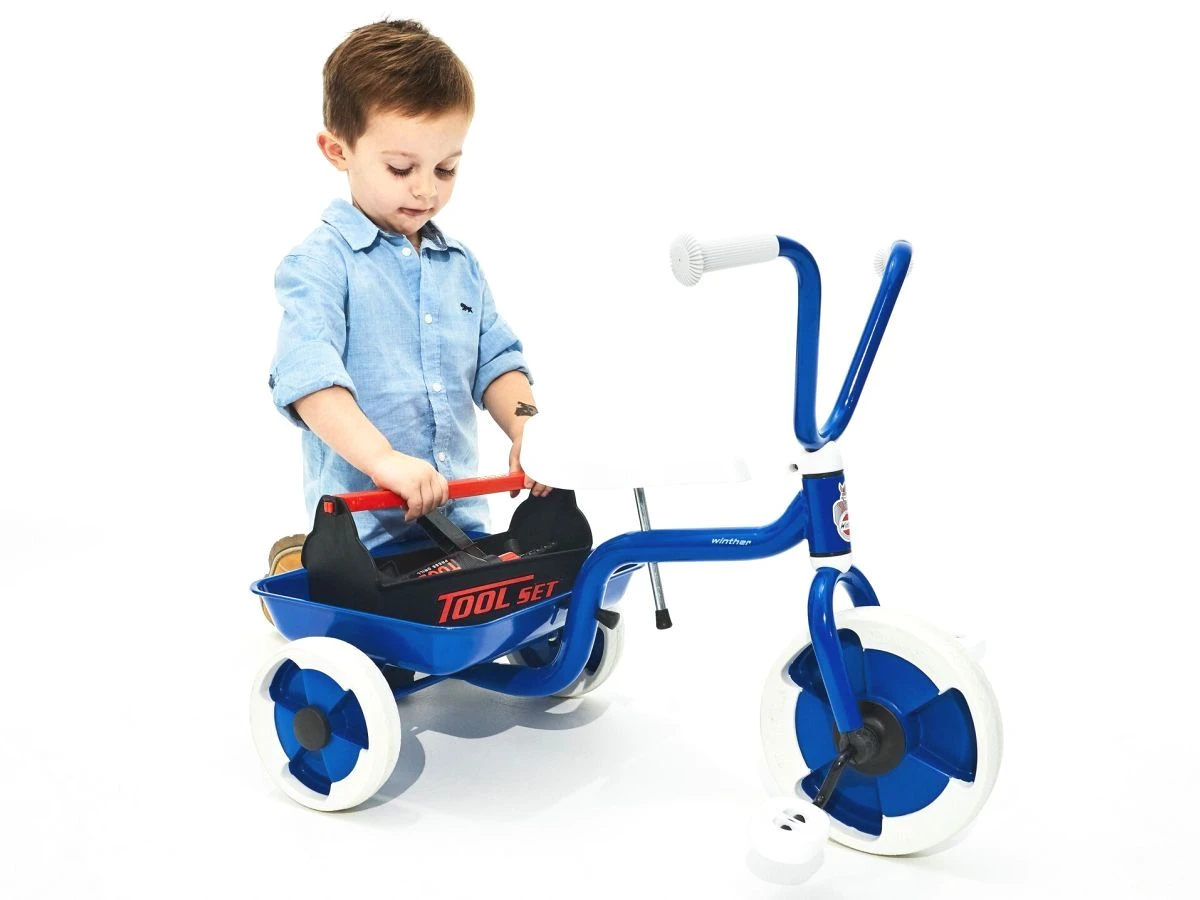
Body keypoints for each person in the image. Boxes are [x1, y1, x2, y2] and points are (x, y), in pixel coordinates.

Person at [265, 19, 548, 586]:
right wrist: (385, 461)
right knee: (356, 604)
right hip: (364, 539)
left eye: (446, 169)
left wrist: (529, 432)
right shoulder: (319, 265)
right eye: (401, 168)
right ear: (337, 150)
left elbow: (498, 363)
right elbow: (309, 379)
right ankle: (299, 569)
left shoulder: (460, 265)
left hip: (463, 531)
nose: (426, 190)